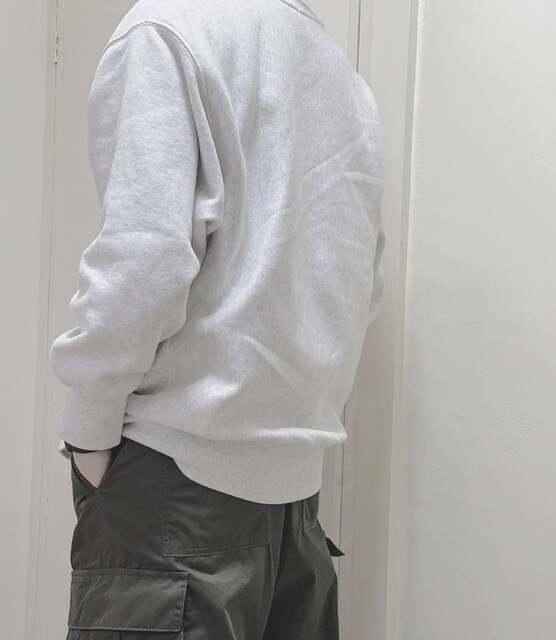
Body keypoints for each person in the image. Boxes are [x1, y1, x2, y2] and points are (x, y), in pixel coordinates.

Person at [49, 0, 385, 637]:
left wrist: (90, 428)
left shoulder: (167, 29)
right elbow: (358, 276)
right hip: (297, 513)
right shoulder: (340, 73)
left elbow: (144, 258)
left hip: (176, 489)